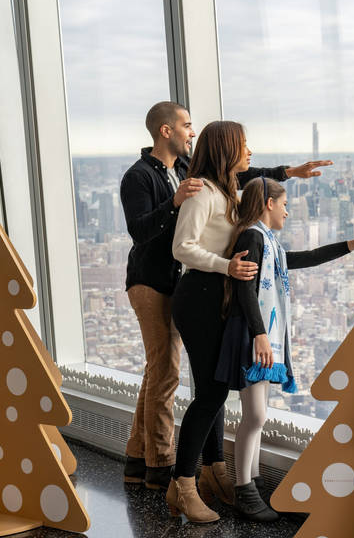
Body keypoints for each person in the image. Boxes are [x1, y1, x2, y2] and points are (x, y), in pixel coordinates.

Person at [119, 102, 330, 492]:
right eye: (186, 125)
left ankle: (146, 460)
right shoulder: (144, 178)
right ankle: (163, 469)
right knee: (166, 373)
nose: (191, 132)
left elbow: (243, 174)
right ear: (166, 131)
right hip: (153, 281)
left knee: (168, 376)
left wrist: (288, 173)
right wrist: (177, 203)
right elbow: (144, 232)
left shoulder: (190, 174)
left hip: (188, 282)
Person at [216, 177, 354, 521]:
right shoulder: (253, 235)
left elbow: (308, 257)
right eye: (283, 204)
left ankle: (251, 484)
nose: (287, 210)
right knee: (256, 415)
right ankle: (244, 490)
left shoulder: (270, 243)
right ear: (268, 203)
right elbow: (245, 290)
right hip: (253, 334)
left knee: (256, 415)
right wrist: (260, 334)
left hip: (257, 333)